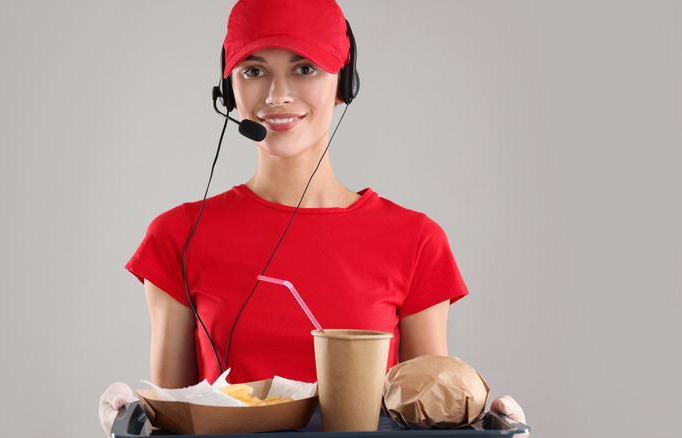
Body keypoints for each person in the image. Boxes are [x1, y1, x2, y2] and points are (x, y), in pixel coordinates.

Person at [99, 0, 526, 435]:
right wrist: (133, 425)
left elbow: (429, 414)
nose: (276, 95)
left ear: (345, 82)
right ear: (227, 89)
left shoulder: (415, 240)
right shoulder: (177, 235)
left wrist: (485, 430)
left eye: (304, 69)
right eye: (253, 70)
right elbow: (176, 421)